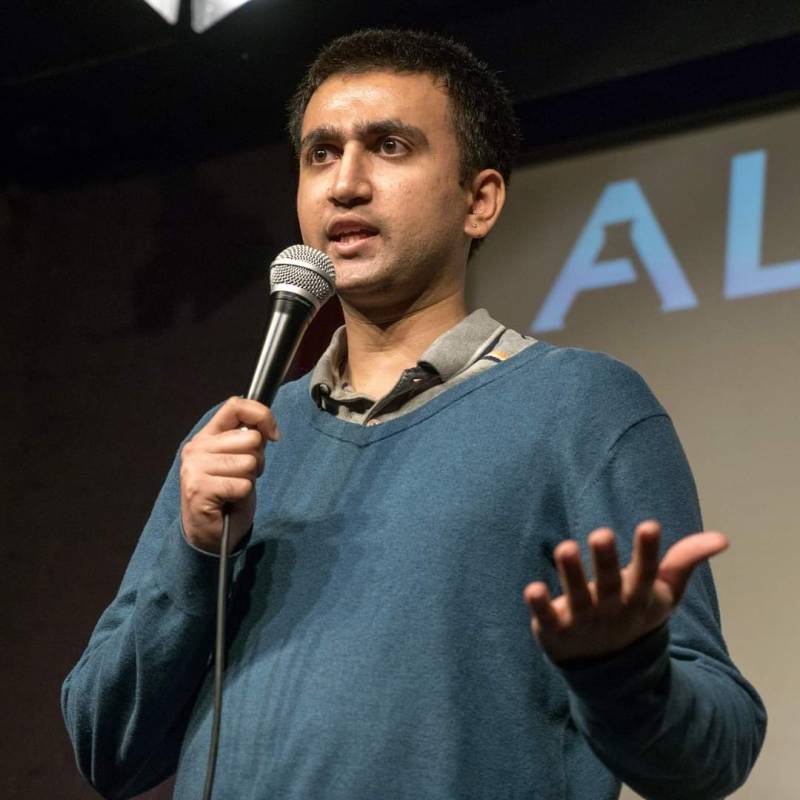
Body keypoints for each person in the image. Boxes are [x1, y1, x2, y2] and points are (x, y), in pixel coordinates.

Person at [62, 29, 766, 800]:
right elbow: (107, 746)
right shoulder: (235, 440)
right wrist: (197, 554)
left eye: (389, 147)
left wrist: (622, 675)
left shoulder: (581, 405)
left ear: (479, 201)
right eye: (320, 154)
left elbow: (716, 752)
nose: (345, 185)